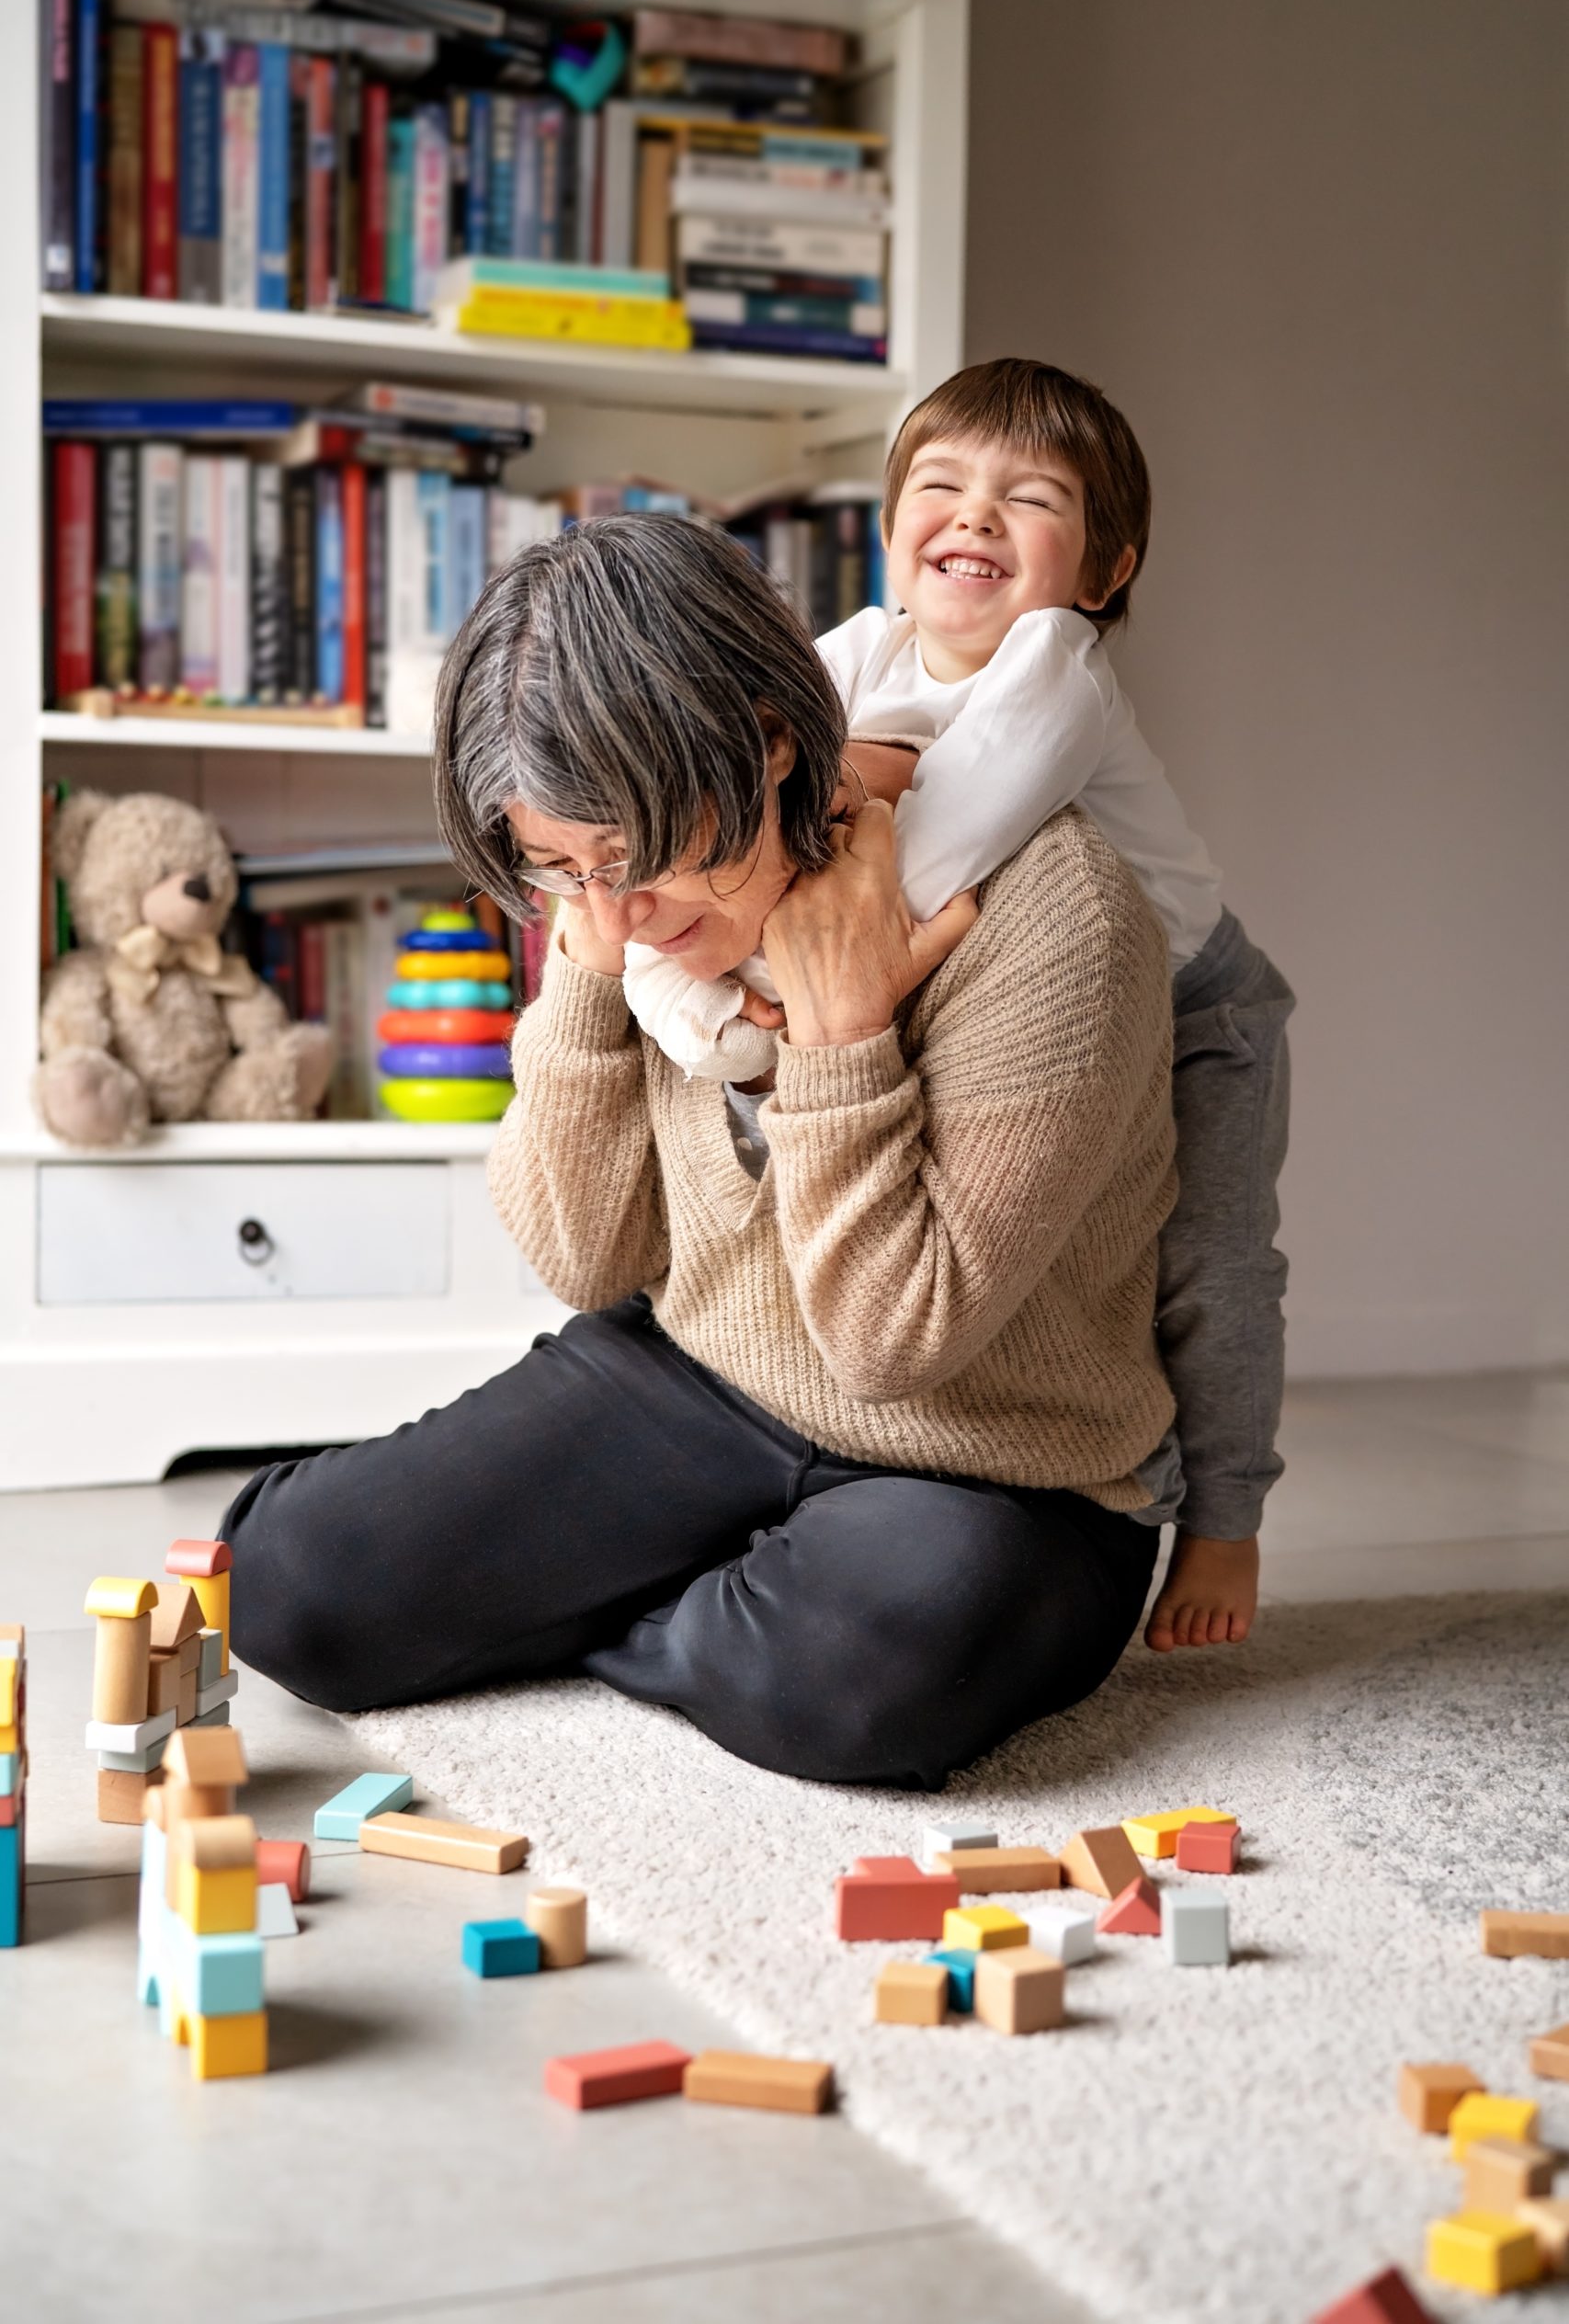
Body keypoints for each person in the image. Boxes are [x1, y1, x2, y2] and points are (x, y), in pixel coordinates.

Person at [222, 507, 1179, 1791]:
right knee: (290, 1589)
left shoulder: (1059, 914)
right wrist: (581, 981)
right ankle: (708, 1601)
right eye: (557, 868)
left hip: (992, 1459)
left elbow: (896, 1343)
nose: (619, 919)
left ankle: (650, 1604)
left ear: (770, 744)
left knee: (860, 1680)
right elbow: (583, 1255)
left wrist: (843, 1032)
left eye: (635, 859)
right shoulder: (615, 919)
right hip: (699, 1373)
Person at [626, 359, 1292, 1652]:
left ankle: (1221, 1518)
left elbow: (927, 866)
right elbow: (747, 768)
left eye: (1026, 499)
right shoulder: (860, 654)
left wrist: (823, 827)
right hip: (1019, 1012)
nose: (975, 516)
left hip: (1199, 1008)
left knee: (1210, 1271)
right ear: (890, 532)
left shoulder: (1061, 670)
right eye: (942, 486)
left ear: (1102, 572)